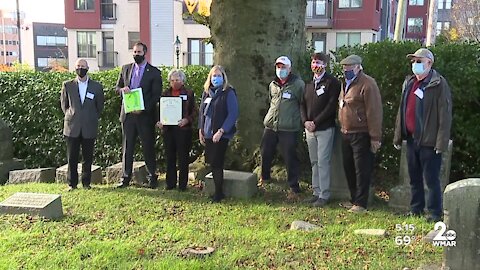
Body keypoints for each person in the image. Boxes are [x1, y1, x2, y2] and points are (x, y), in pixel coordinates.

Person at [393, 48, 452, 222]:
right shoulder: (410, 83)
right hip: (412, 139)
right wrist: (398, 135)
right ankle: (416, 208)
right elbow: (402, 111)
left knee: (432, 180)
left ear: (429, 63)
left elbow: (445, 115)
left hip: (429, 141)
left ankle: (434, 212)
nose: (415, 64)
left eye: (419, 61)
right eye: (413, 61)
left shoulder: (439, 84)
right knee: (414, 178)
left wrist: (440, 143)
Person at [338, 54, 383, 213]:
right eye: (344, 68)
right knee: (348, 167)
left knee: (361, 169)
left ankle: (361, 203)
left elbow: (374, 111)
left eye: (349, 68)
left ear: (358, 67)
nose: (346, 70)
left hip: (361, 133)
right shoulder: (345, 83)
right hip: (346, 132)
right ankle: (353, 199)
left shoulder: (368, 84)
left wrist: (375, 137)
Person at [115, 42, 162, 189]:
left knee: (148, 146)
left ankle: (152, 177)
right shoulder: (125, 69)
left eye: (139, 52)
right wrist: (122, 89)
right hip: (128, 115)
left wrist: (143, 108)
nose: (136, 54)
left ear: (145, 53)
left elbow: (156, 95)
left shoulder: (154, 72)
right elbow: (117, 87)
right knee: (127, 147)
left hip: (145, 116)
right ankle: (125, 177)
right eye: (134, 52)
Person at [300, 52, 341, 207]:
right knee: (314, 162)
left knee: (323, 161)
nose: (315, 65)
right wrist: (305, 122)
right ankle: (316, 191)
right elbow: (302, 104)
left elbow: (331, 106)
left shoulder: (332, 83)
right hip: (309, 130)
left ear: (325, 65)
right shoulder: (308, 84)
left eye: (318, 62)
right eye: (313, 62)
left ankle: (324, 194)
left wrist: (316, 122)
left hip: (324, 128)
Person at [261, 56, 305, 194]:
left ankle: (293, 184)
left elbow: (303, 103)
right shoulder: (272, 85)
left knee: (290, 156)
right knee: (265, 152)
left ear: (289, 69)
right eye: (278, 67)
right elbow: (271, 101)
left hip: (289, 127)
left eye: (283, 67)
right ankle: (265, 177)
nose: (281, 70)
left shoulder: (298, 84)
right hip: (271, 125)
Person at [60, 59, 104, 191]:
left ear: (88, 68)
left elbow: (100, 106)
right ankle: (72, 184)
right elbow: (64, 105)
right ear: (75, 68)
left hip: (89, 126)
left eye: (83, 66)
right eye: (78, 66)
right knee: (71, 157)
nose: (80, 68)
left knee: (87, 157)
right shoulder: (67, 85)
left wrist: (91, 117)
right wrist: (72, 115)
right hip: (72, 127)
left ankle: (86, 183)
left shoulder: (96, 86)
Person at [198, 65, 239, 202]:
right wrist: (201, 130)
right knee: (212, 162)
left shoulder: (228, 92)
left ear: (223, 77)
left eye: (219, 76)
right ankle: (217, 190)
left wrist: (221, 131)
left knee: (217, 163)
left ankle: (218, 193)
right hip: (208, 133)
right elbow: (201, 113)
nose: (216, 78)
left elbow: (233, 113)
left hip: (221, 134)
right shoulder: (206, 92)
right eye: (213, 76)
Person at [156, 69, 196, 191]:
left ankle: (183, 184)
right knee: (170, 156)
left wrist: (187, 120)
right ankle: (170, 183)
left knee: (183, 157)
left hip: (183, 130)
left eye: (177, 80)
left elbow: (194, 111)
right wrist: (159, 121)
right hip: (168, 130)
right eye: (172, 80)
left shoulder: (188, 93)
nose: (174, 82)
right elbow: (159, 110)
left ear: (182, 80)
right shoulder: (165, 94)